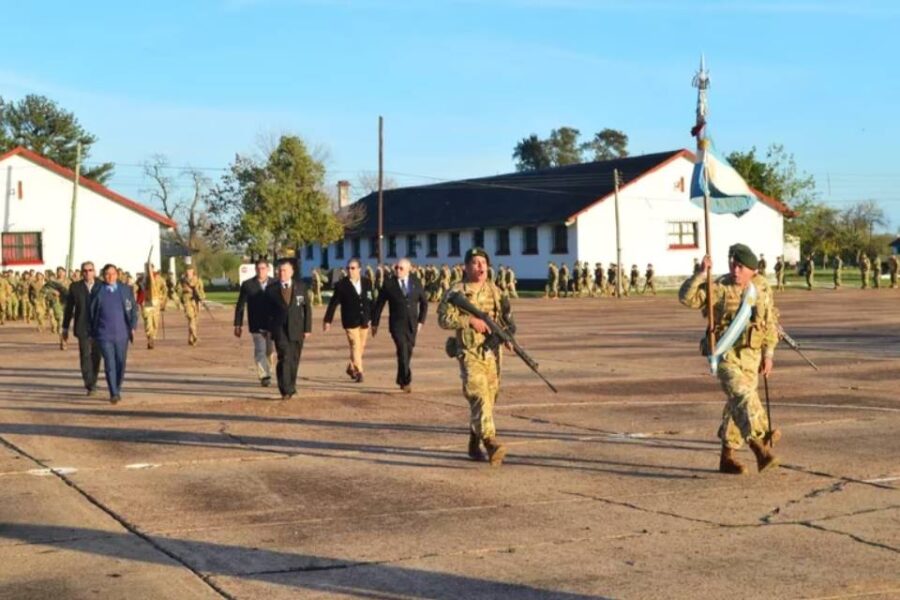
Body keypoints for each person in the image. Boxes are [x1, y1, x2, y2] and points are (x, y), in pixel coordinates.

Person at [678, 244, 780, 475]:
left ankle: (727, 458)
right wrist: (701, 274)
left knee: (736, 404)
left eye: (740, 266)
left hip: (751, 356)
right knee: (743, 397)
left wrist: (769, 354)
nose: (734, 270)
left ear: (752, 270)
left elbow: (770, 322)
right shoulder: (720, 287)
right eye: (732, 264)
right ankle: (759, 448)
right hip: (725, 355)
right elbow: (687, 299)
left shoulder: (762, 287)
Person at [438, 247, 514, 467]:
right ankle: (491, 443)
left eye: (483, 262)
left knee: (490, 399)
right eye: (475, 262)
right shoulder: (456, 291)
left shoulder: (496, 291)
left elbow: (507, 319)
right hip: (469, 352)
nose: (480, 266)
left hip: (493, 353)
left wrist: (507, 336)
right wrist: (469, 321)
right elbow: (443, 318)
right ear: (466, 267)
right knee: (478, 395)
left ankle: (474, 441)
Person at [372, 258, 428, 392]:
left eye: (401, 268)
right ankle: (407, 380)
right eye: (396, 268)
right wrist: (375, 323)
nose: (398, 270)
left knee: (407, 351)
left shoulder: (416, 282)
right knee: (402, 349)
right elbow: (379, 304)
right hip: (397, 325)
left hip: (412, 324)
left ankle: (401, 378)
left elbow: (424, 303)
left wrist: (421, 321)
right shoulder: (389, 284)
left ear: (409, 269)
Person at [90, 264, 137, 403]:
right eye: (107, 274)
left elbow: (133, 309)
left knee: (120, 363)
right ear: (103, 276)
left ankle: (117, 386)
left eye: (113, 274)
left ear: (117, 275)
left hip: (122, 334)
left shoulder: (125, 290)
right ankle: (113, 393)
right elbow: (91, 313)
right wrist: (92, 332)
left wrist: (133, 326)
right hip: (104, 335)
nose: (110, 277)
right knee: (110, 363)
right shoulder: (98, 291)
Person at [265, 259, 312, 400]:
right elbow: (267, 313)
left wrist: (307, 328)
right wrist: (268, 329)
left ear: (291, 272)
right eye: (279, 270)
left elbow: (306, 308)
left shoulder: (301, 287)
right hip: (279, 329)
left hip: (297, 328)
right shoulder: (271, 290)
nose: (281, 273)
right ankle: (285, 388)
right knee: (284, 357)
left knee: (294, 358)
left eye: (284, 270)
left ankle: (291, 385)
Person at [324, 258, 373, 383]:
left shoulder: (367, 282)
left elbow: (371, 300)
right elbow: (333, 303)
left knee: (361, 347)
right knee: (355, 345)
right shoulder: (341, 285)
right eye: (348, 268)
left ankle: (351, 367)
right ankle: (360, 371)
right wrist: (327, 320)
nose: (350, 271)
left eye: (353, 268)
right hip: (350, 321)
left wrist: (373, 317)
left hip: (364, 320)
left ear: (359, 269)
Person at [234, 258, 275, 387]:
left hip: (272, 324)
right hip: (256, 324)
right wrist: (238, 324)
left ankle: (268, 369)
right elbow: (240, 306)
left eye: (263, 268)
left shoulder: (276, 283)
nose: (261, 271)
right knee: (260, 350)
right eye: (258, 269)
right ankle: (264, 376)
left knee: (269, 351)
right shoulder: (247, 285)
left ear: (268, 269)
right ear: (255, 269)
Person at [62, 261, 102, 396]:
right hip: (82, 326)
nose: (88, 273)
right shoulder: (75, 287)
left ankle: (94, 380)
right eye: (85, 271)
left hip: (99, 327)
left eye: (90, 270)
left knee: (96, 356)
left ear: (94, 271)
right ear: (81, 272)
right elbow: (69, 309)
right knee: (85, 355)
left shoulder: (102, 286)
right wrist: (65, 328)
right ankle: (90, 385)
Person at [179, 265, 206, 346]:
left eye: (190, 270)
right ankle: (195, 336)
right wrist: (185, 290)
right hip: (187, 301)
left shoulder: (197, 280)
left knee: (194, 320)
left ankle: (190, 338)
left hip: (195, 302)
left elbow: (202, 290)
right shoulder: (182, 280)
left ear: (193, 271)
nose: (188, 271)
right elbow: (178, 289)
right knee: (191, 318)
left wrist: (201, 297)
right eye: (187, 270)